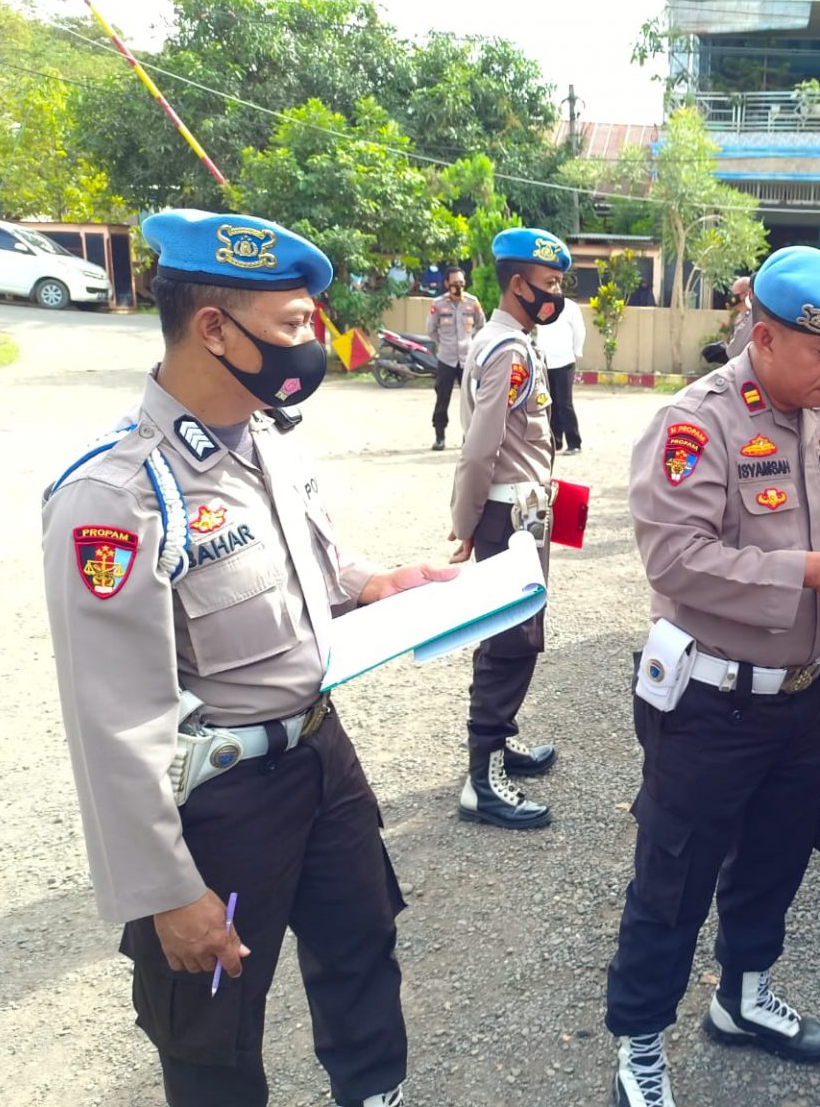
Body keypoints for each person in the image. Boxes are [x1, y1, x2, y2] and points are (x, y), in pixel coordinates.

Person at [40, 209, 458, 1107]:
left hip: (321, 754)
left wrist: (374, 584)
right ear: (214, 328)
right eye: (295, 323)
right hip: (222, 798)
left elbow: (313, 568)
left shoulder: (267, 441)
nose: (315, 343)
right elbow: (111, 727)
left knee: (361, 953)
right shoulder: (117, 497)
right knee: (210, 1023)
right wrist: (166, 890)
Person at [607, 245, 820, 1107]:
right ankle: (639, 1042)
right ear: (763, 337)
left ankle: (740, 996)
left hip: (801, 697)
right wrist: (810, 573)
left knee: (777, 856)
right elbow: (676, 559)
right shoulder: (696, 422)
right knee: (675, 877)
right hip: (710, 700)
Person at [448, 228, 567, 829]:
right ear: (518, 284)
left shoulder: (506, 339)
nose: (555, 295)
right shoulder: (510, 351)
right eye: (548, 284)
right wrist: (467, 521)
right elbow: (479, 448)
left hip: (521, 511)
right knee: (509, 641)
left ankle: (499, 742)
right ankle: (482, 781)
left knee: (517, 633)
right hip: (510, 516)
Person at [428, 268, 487, 452]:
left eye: (461, 283)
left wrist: (473, 343)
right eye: (454, 283)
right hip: (446, 359)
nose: (458, 287)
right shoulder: (438, 304)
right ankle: (439, 436)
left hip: (467, 358)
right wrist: (443, 344)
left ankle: (468, 437)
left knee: (470, 399)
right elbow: (431, 330)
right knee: (442, 398)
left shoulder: (472, 302)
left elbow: (481, 325)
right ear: (447, 284)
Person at [536, 290, 587, 455]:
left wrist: (576, 352)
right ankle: (555, 441)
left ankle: (574, 442)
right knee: (550, 404)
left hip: (565, 361)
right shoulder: (541, 305)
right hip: (545, 361)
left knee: (565, 404)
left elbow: (579, 331)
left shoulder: (571, 307)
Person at [724, 274, 755, 358]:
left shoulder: (754, 316)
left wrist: (725, 351)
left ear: (747, 293)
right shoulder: (740, 316)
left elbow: (735, 351)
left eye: (734, 294)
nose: (731, 298)